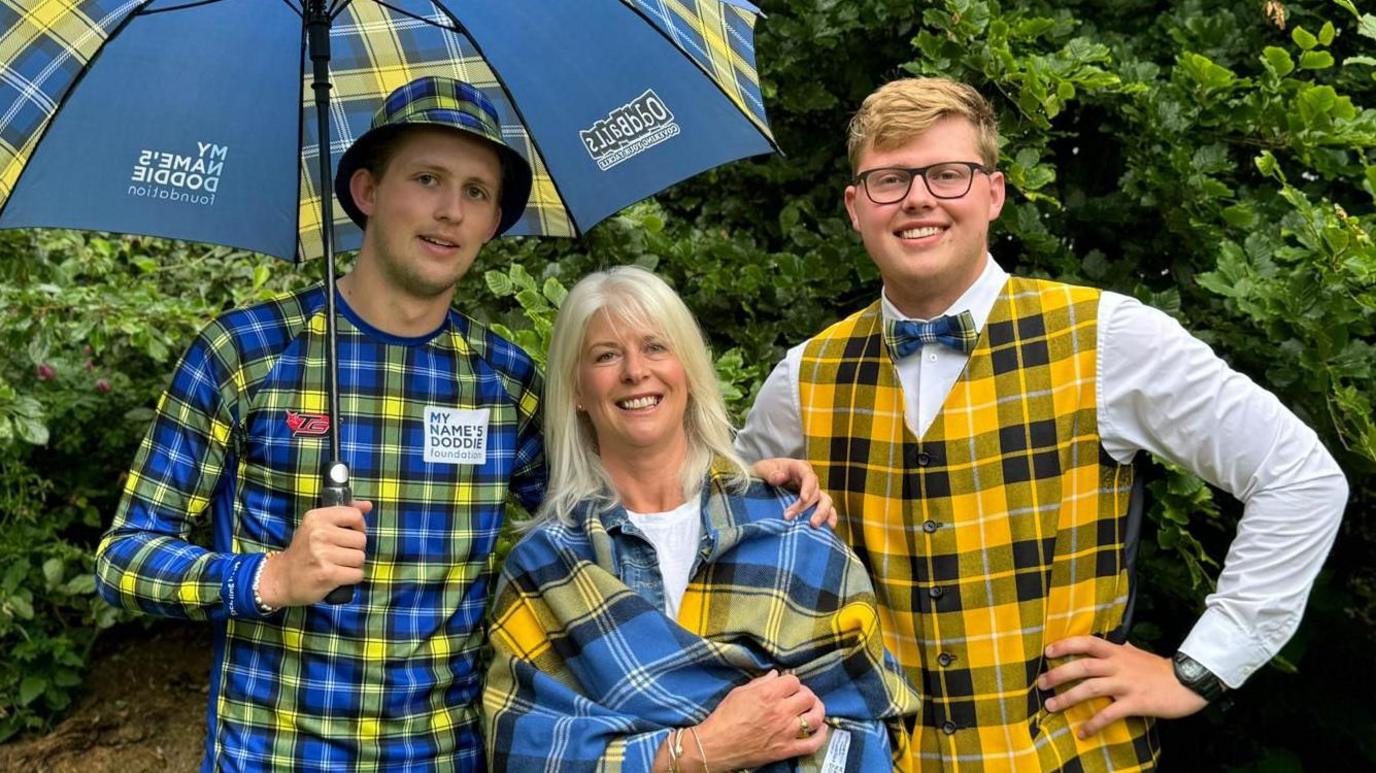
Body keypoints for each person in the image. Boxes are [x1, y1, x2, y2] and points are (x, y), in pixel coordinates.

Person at [96, 75, 827, 772]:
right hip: (276, 752)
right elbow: (123, 558)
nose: (450, 210)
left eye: (476, 192)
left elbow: (611, 499)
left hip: (447, 753)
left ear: (491, 222)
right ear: (367, 191)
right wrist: (269, 576)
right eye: (427, 179)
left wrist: (733, 483)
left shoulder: (501, 380)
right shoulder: (245, 353)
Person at [735, 77, 1348, 770]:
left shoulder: (1108, 337)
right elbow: (716, 534)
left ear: (993, 193)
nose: (918, 198)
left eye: (947, 174)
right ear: (855, 206)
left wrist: (1199, 666)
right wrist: (744, 494)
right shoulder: (805, 373)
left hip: (1075, 756)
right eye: (889, 180)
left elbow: (1298, 475)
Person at [483, 266, 920, 772]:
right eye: (605, 355)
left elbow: (870, 719)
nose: (634, 371)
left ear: (686, 368)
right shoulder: (546, 564)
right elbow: (523, 754)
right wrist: (700, 751)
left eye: (655, 347)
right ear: (577, 390)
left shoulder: (788, 522)